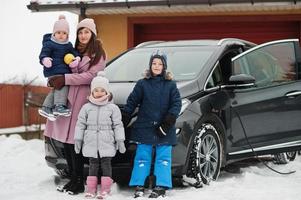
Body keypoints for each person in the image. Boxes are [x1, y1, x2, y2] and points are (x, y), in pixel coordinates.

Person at [44, 18, 106, 195]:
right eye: (80, 32)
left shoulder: (98, 54)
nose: (83, 35)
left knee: (76, 141)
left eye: (86, 31)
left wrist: (65, 78)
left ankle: (79, 181)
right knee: (67, 143)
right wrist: (54, 77)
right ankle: (73, 179)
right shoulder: (71, 50)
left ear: (92, 34)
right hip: (66, 99)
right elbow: (59, 66)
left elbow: (90, 76)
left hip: (83, 101)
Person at [122, 51, 182, 198]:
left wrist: (167, 123)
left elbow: (176, 104)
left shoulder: (171, 85)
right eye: (154, 63)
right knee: (142, 156)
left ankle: (161, 186)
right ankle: (140, 184)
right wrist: (124, 118)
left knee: (163, 158)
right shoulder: (142, 84)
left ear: (164, 66)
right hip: (144, 126)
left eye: (160, 64)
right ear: (150, 65)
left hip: (164, 128)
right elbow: (132, 102)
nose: (157, 66)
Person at [74, 71, 126, 199]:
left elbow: (118, 125)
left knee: (106, 164)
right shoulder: (86, 107)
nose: (99, 93)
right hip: (91, 141)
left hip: (106, 140)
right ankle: (91, 189)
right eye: (96, 90)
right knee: (93, 164)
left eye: (102, 90)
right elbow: (80, 124)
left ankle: (105, 189)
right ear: (92, 92)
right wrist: (78, 139)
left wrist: (120, 140)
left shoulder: (112, 108)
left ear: (107, 91)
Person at [38, 15, 81, 121]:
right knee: (62, 86)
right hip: (53, 70)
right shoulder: (49, 44)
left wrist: (77, 59)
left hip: (63, 71)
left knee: (56, 89)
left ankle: (46, 108)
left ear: (67, 34)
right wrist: (45, 59)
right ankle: (59, 106)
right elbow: (43, 54)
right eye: (59, 33)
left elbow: (74, 52)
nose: (61, 35)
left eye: (64, 33)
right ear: (54, 33)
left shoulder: (68, 45)